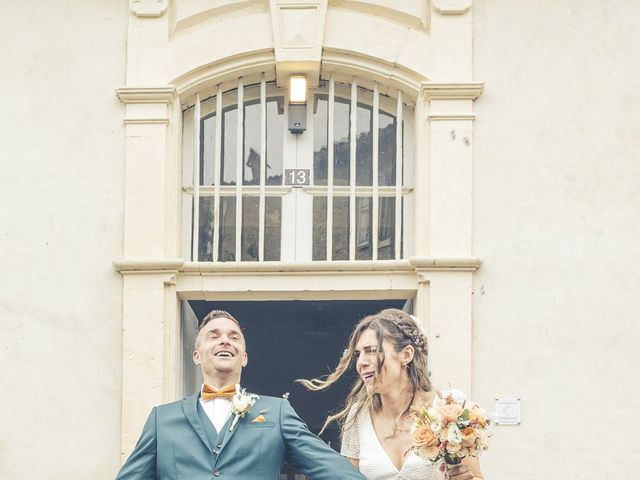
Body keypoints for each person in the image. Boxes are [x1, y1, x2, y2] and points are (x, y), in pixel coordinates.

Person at [116, 309, 365, 480]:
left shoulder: (276, 413)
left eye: (233, 337)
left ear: (244, 358)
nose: (225, 341)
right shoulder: (161, 420)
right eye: (214, 336)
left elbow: (331, 468)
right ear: (196, 356)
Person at [299, 309, 484, 480]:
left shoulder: (448, 407)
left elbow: (475, 476)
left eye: (371, 351)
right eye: (358, 354)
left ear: (406, 355)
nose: (361, 362)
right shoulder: (358, 416)